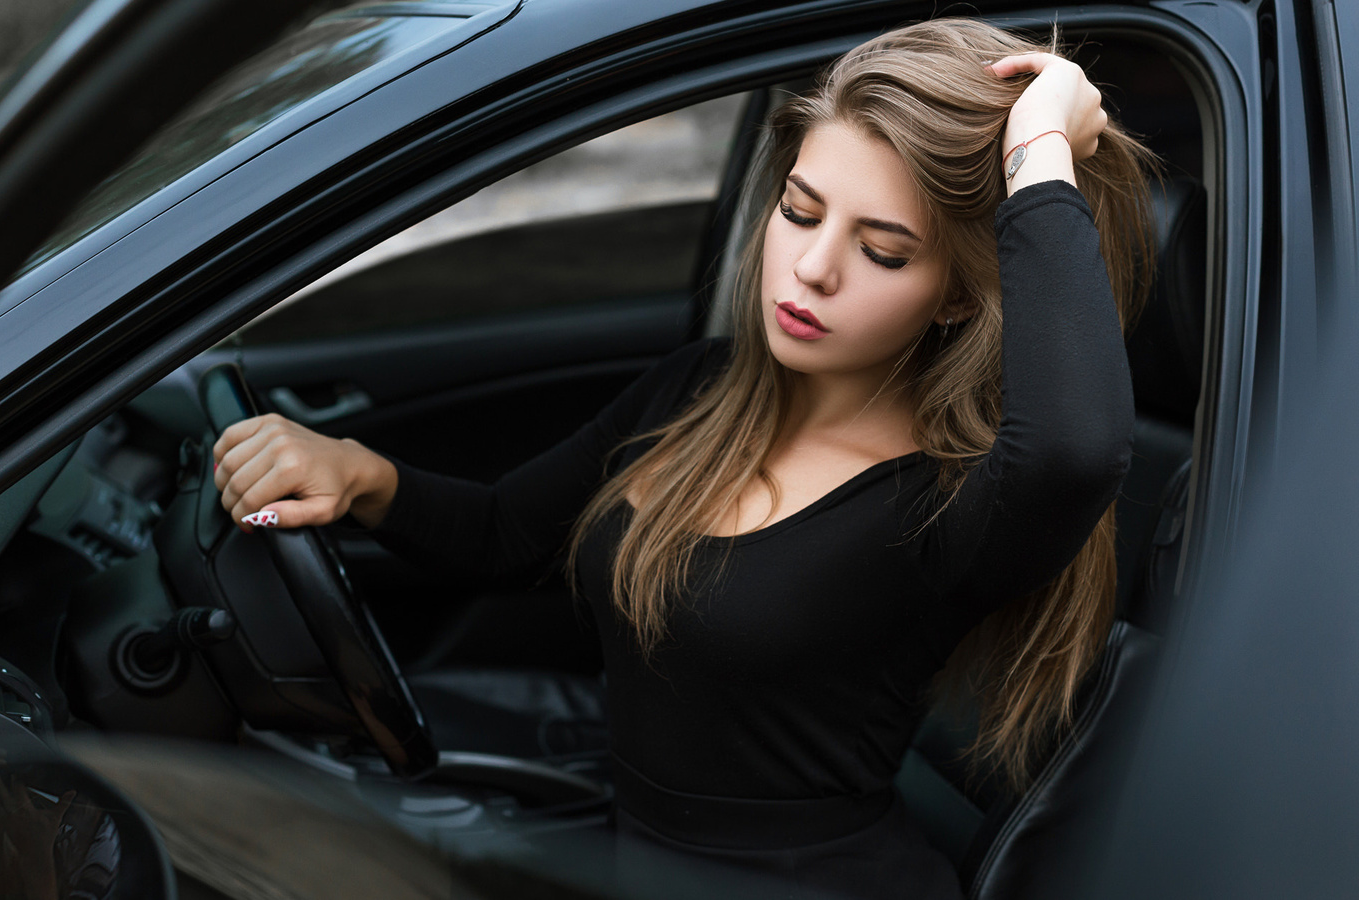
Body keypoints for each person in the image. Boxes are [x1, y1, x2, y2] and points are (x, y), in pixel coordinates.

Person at [212, 18, 1156, 899]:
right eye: (799, 209)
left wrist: (1039, 155)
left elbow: (1074, 451)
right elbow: (508, 536)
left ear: (954, 298)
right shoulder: (699, 389)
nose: (812, 267)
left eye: (882, 251)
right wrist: (361, 476)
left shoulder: (949, 502)